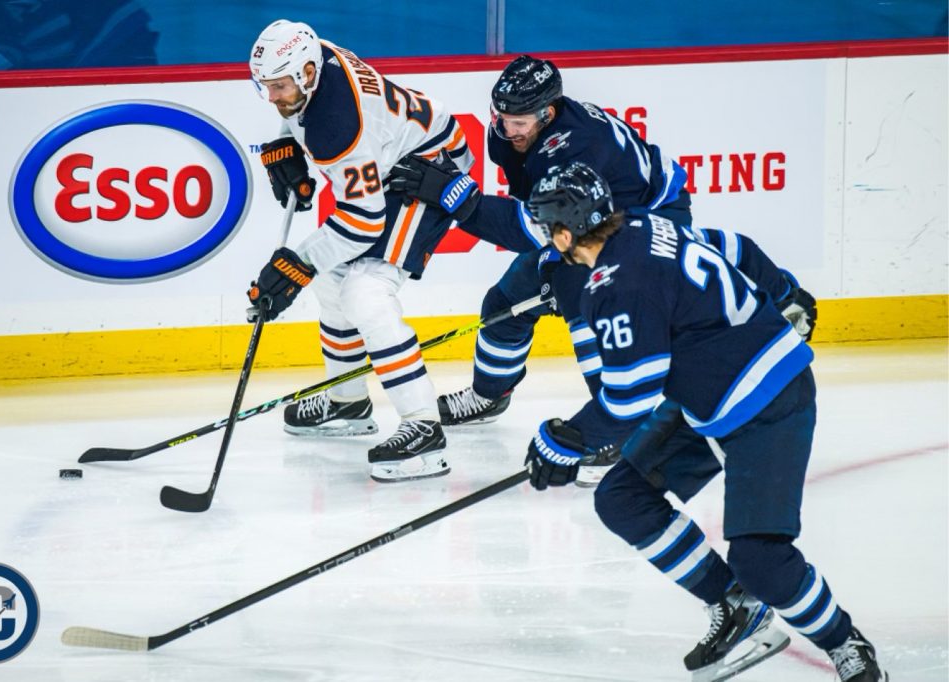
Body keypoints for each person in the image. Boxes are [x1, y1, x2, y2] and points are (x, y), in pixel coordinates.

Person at [522, 161, 888, 682]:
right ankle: (735, 605)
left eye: (547, 229)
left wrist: (565, 442)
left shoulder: (615, 287)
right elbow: (735, 246)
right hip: (709, 397)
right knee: (622, 498)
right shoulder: (647, 224)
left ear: (564, 234)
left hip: (769, 404)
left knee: (761, 560)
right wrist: (783, 290)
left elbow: (630, 397)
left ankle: (844, 641)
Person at [247, 20, 513, 483]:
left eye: (279, 86)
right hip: (388, 154)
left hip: (427, 169)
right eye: (264, 86)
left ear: (307, 73)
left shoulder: (338, 126)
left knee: (365, 291)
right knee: (331, 281)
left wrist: (296, 266)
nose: (272, 97)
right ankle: (348, 401)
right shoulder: (314, 58)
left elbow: (363, 221)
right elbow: (304, 114)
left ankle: (423, 428)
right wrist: (288, 142)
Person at [393, 54, 694, 427]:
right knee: (505, 302)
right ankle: (488, 396)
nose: (508, 129)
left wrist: (454, 197)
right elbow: (540, 212)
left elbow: (527, 230)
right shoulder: (511, 133)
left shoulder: (575, 148)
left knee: (585, 300)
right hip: (591, 220)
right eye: (502, 118)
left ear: (547, 114)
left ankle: (618, 426)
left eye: (519, 122)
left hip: (648, 220)